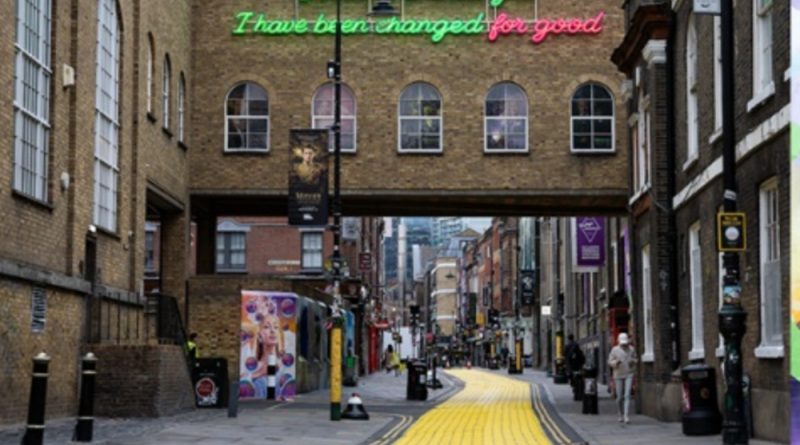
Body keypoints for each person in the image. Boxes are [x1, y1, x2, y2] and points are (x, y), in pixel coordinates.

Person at [608, 332, 637, 423]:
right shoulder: (614, 350)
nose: (624, 345)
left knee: (627, 395)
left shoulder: (631, 349)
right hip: (618, 374)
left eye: (625, 343)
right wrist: (616, 363)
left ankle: (626, 415)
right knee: (619, 396)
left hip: (629, 373)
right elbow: (610, 361)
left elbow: (635, 359)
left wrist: (633, 361)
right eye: (622, 343)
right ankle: (620, 413)